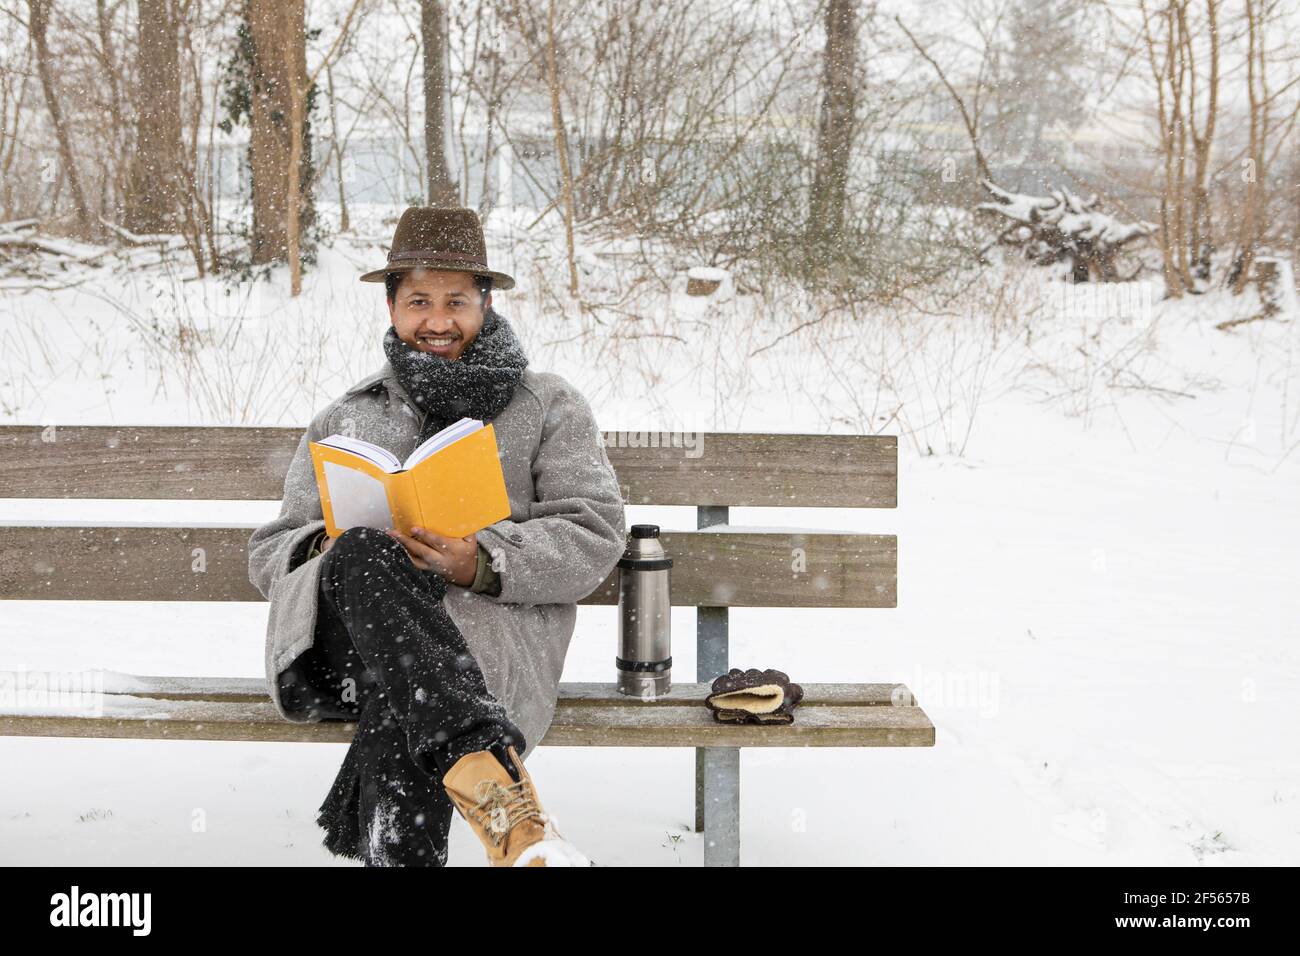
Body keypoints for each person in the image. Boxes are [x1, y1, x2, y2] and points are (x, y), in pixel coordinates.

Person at [247, 206, 627, 867]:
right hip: (349, 652)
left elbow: (592, 534)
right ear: (391, 306)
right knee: (368, 560)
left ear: (485, 304)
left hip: (480, 648)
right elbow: (273, 547)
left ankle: (457, 807)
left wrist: (477, 561)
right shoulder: (346, 417)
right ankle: (509, 813)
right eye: (419, 300)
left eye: (457, 300)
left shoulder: (547, 406)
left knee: (414, 691)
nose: (438, 320)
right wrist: (329, 552)